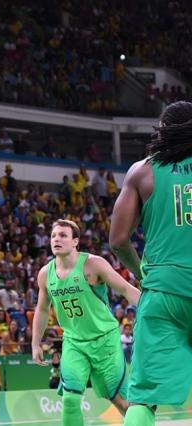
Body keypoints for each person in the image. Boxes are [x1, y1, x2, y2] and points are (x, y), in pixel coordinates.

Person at [109, 101, 192, 426]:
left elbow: (118, 240)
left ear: (163, 129)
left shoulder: (142, 171)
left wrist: (141, 272)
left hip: (163, 292)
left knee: (143, 398)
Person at [32, 220, 140, 426]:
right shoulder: (45, 274)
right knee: (70, 399)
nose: (56, 239)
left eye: (63, 235)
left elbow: (126, 289)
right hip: (74, 343)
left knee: (119, 400)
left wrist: (153, 307)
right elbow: (42, 309)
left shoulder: (93, 264)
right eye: (53, 235)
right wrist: (35, 343)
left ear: (75, 241)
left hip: (105, 340)